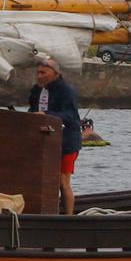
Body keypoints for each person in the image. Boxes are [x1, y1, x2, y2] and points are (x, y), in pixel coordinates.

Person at [28, 55, 83, 213]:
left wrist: (46, 115)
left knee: (62, 181)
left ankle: (69, 216)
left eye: (43, 73)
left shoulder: (66, 91)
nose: (39, 76)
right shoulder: (36, 90)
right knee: (42, 178)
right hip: (44, 140)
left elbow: (71, 116)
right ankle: (44, 210)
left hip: (67, 142)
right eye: (38, 72)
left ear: (55, 74)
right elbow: (32, 109)